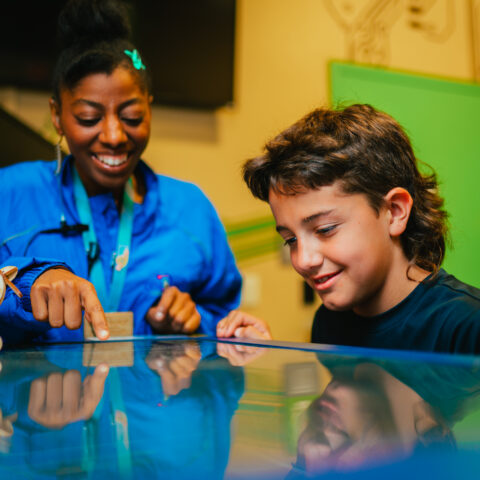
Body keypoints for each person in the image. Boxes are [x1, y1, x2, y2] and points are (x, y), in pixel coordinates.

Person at [0, 0, 241, 346]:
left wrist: (193, 320)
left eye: (132, 116)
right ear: (57, 115)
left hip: (148, 400)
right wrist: (23, 282)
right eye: (88, 117)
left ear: (150, 108)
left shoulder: (191, 209)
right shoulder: (9, 193)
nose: (114, 136)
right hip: (40, 400)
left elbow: (224, 317)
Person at [217, 103, 480, 354]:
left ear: (395, 212)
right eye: (291, 240)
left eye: (325, 229)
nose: (304, 261)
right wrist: (269, 355)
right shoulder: (328, 323)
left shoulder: (467, 325)